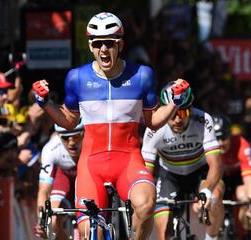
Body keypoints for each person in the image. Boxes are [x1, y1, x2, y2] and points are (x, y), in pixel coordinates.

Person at [32, 12, 191, 239]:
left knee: (146, 205)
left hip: (128, 159)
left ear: (121, 44)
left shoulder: (142, 75)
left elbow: (152, 121)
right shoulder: (76, 78)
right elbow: (70, 121)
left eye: (110, 43)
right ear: (90, 46)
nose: (104, 50)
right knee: (89, 233)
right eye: (98, 44)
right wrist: (45, 103)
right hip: (92, 163)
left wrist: (175, 103)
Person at [141, 87, 225, 240]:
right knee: (163, 230)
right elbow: (146, 170)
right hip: (169, 176)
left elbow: (216, 164)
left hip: (200, 172)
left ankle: (211, 238)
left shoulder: (203, 120)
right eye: (172, 114)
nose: (178, 120)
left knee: (215, 195)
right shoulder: (154, 129)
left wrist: (207, 191)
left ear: (191, 110)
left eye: (183, 113)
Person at [35, 121, 84, 239]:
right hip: (64, 178)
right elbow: (44, 191)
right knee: (52, 222)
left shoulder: (93, 143)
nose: (71, 143)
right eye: (66, 138)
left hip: (87, 177)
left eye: (76, 136)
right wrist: (42, 221)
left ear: (84, 133)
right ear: (58, 135)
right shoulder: (51, 149)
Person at [212, 114, 251, 239]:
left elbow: (249, 179)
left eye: (224, 138)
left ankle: (246, 229)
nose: (220, 143)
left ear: (230, 135)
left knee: (244, 196)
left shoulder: (242, 144)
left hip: (237, 178)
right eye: (216, 139)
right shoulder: (208, 147)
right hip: (219, 178)